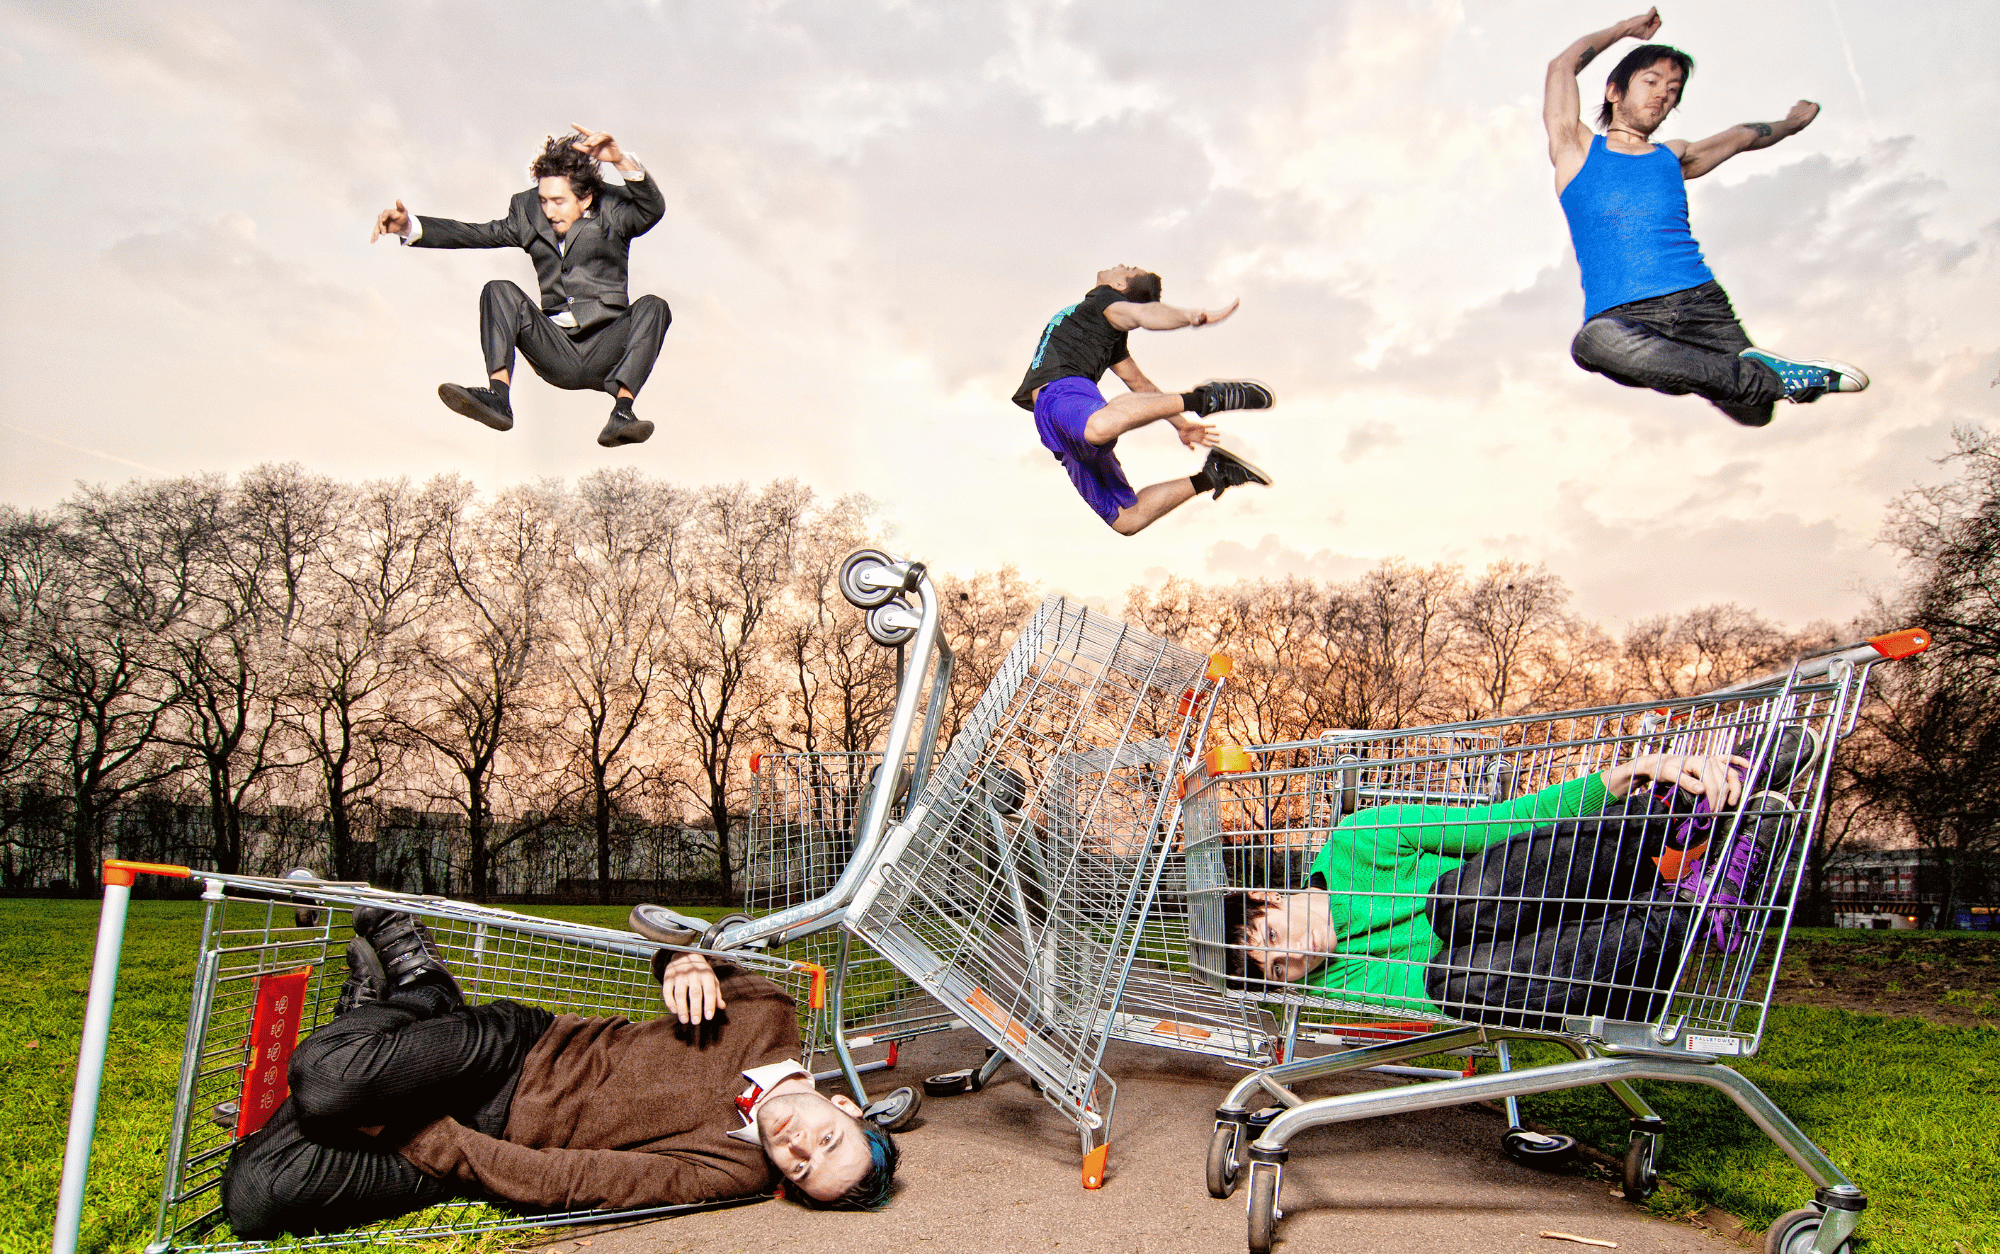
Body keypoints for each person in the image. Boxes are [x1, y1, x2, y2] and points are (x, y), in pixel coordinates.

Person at [220, 906, 897, 1238]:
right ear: (846, 1108)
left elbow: (570, 1181)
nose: (798, 1146)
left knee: (254, 1198)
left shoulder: (732, 1172)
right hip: (521, 1053)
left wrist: (415, 1131)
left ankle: (379, 1016)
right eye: (826, 1139)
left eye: (803, 1168)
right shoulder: (772, 1016)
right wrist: (683, 962)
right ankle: (424, 990)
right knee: (325, 1081)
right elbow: (687, 945)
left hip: (481, 1135)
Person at [1223, 732, 1814, 1027]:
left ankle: (1676, 812)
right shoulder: (1336, 982)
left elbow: (1499, 827)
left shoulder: (1359, 839)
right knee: (1454, 983)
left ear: (1267, 897)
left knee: (1454, 904)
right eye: (1279, 970)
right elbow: (1471, 996)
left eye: (1273, 938)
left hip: (1594, 870)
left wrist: (1632, 771)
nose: (1296, 955)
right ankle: (1701, 910)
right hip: (1613, 955)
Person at [1545, 9, 1867, 427]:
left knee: (1755, 413)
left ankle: (1762, 378)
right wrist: (1627, 30)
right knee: (1593, 342)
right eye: (1651, 81)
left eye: (1673, 89)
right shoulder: (1576, 148)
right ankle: (1767, 376)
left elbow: (1741, 137)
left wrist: (1790, 124)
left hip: (1699, 303)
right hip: (1624, 319)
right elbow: (1561, 66)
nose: (1663, 94)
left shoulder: (1672, 155)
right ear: (1614, 92)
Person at [372, 126, 670, 448]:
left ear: (584, 198)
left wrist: (620, 161)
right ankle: (498, 398)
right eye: (543, 200)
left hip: (607, 349)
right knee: (498, 289)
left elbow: (651, 209)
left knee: (654, 305)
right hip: (556, 351)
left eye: (558, 201)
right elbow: (476, 234)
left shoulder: (612, 209)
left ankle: (622, 413)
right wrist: (409, 226)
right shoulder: (527, 212)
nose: (549, 212)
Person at [1014, 266, 1275, 535]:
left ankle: (1206, 398)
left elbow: (1143, 313)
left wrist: (1191, 316)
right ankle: (1214, 474)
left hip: (1064, 396)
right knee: (1127, 520)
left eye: (1128, 270)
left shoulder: (1103, 301)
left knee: (1099, 427)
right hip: (1060, 430)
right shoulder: (1106, 330)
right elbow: (1141, 385)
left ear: (1118, 285)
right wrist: (1181, 425)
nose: (1122, 266)